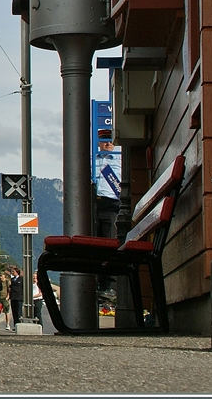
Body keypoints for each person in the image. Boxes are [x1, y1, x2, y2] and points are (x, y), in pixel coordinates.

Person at [95, 129, 121, 302]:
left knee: (109, 241)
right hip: (93, 203)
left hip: (111, 204)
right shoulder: (93, 159)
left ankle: (109, 286)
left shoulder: (120, 158)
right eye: (104, 139)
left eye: (110, 139)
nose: (108, 143)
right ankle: (97, 284)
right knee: (94, 244)